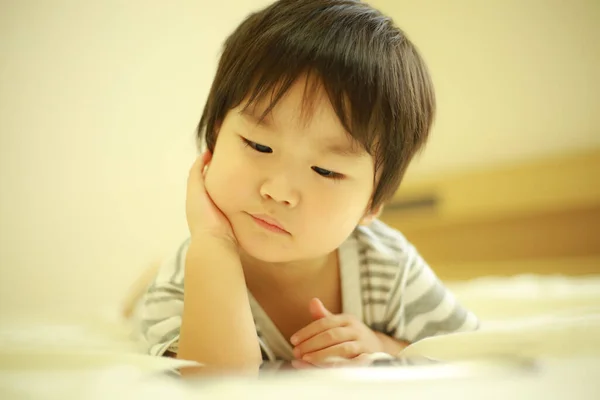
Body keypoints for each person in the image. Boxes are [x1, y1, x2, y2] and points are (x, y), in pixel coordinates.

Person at [138, 0, 478, 373]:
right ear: (216, 136)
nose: (279, 190)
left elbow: (471, 351)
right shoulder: (189, 276)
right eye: (259, 146)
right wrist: (214, 246)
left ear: (372, 203)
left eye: (326, 170)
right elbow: (215, 382)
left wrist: (385, 346)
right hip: (174, 279)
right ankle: (138, 290)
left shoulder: (388, 267)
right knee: (142, 304)